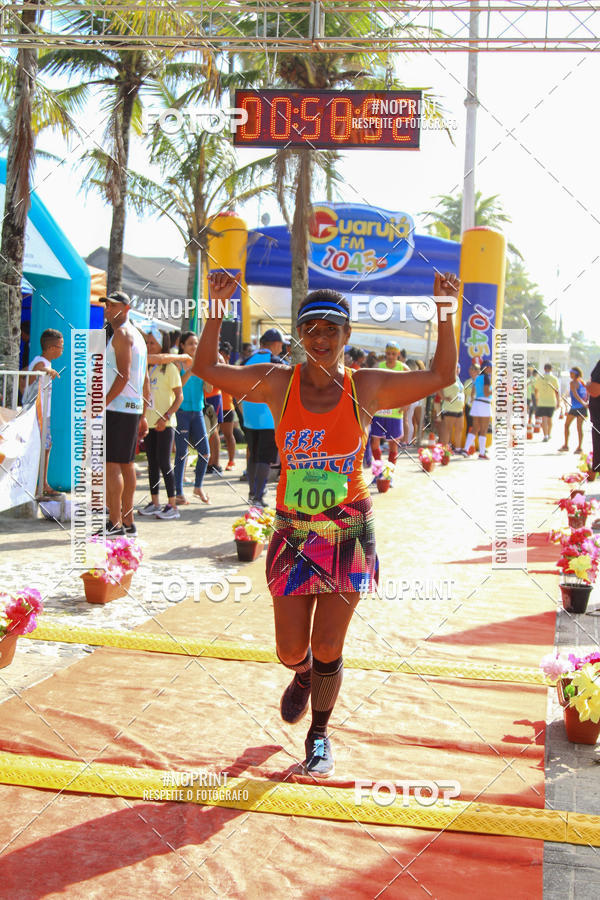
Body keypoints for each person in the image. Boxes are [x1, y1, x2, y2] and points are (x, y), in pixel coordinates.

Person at [193, 272, 459, 778]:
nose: (320, 338)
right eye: (311, 328)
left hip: (349, 531)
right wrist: (213, 308)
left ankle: (319, 734)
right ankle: (302, 675)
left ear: (346, 336)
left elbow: (443, 374)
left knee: (329, 644)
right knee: (292, 649)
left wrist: (445, 308)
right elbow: (205, 367)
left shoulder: (368, 386)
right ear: (298, 334)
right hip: (294, 531)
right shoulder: (277, 382)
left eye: (331, 330)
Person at [102, 291, 149, 537]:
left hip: (118, 407)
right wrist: (143, 413)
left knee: (112, 465)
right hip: (131, 407)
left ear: (126, 308)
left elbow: (123, 376)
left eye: (112, 306)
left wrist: (102, 402)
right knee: (126, 464)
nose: (107, 310)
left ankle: (115, 522)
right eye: (106, 305)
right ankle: (127, 520)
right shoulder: (138, 336)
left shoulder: (122, 333)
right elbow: (146, 378)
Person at [138, 327, 183, 519]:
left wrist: (165, 417)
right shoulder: (146, 367)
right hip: (148, 423)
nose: (148, 346)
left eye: (152, 343)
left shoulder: (170, 367)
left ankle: (172, 505)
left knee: (165, 462)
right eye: (146, 343)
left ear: (161, 345)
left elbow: (179, 397)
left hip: (165, 423)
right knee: (152, 463)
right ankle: (155, 502)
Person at [239, 327, 285, 506]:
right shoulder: (276, 362)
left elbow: (237, 387)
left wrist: (242, 411)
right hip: (268, 416)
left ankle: (253, 494)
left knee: (253, 455)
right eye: (281, 345)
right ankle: (258, 497)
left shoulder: (247, 360)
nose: (282, 349)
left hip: (249, 414)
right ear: (275, 344)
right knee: (264, 457)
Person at [24, 328, 64, 496]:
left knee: (46, 447)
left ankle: (41, 482)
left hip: (42, 413)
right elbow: (36, 370)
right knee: (42, 447)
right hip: (38, 413)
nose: (62, 350)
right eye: (61, 346)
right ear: (52, 348)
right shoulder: (41, 362)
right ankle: (40, 484)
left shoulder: (41, 361)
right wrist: (49, 371)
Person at [173, 331, 210, 505]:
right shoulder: (178, 362)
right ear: (182, 346)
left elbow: (209, 389)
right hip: (181, 412)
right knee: (182, 453)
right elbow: (178, 385)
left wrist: (206, 373)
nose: (194, 347)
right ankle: (178, 492)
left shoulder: (201, 363)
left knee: (205, 452)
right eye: (190, 344)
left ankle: (198, 486)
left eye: (196, 343)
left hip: (198, 411)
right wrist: (190, 370)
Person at [369, 341, 407, 467]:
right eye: (388, 354)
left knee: (393, 445)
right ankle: (379, 470)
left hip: (395, 412)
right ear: (385, 353)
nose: (390, 356)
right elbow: (368, 385)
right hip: (379, 410)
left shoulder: (403, 368)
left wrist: (407, 402)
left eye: (393, 354)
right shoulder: (378, 366)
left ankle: (389, 473)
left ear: (398, 354)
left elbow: (412, 386)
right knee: (374, 441)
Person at [559, 367, 588, 454]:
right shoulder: (582, 382)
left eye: (572, 373)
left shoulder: (573, 383)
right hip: (582, 408)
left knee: (567, 425)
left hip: (576, 408)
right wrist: (585, 403)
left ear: (576, 374)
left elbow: (575, 395)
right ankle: (579, 447)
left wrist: (583, 403)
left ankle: (566, 445)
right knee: (579, 428)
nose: (570, 375)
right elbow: (586, 394)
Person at [469, 359, 492, 460]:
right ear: (487, 368)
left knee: (475, 428)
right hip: (484, 404)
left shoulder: (477, 378)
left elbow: (472, 394)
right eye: (490, 367)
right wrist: (495, 390)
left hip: (476, 403)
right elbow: (487, 393)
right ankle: (482, 453)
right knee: (483, 430)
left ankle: (465, 449)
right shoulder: (487, 377)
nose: (491, 370)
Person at [219, 341, 237, 470]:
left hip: (226, 407)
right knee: (212, 436)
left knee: (228, 435)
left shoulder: (232, 371)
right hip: (213, 406)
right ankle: (214, 461)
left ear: (227, 357)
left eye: (222, 356)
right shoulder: (213, 370)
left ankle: (231, 461)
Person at [439, 363, 465, 450]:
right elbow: (439, 388)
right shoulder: (448, 378)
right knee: (447, 429)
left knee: (459, 429)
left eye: (458, 368)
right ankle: (444, 450)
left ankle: (458, 449)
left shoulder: (458, 379)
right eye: (455, 368)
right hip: (449, 408)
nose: (457, 369)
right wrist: (444, 397)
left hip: (459, 409)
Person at [534, 363, 560, 442]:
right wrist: (558, 402)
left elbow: (536, 390)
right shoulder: (554, 379)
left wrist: (536, 399)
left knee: (544, 419)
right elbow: (557, 391)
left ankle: (545, 436)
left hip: (542, 402)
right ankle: (549, 434)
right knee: (550, 419)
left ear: (544, 369)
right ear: (551, 369)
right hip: (551, 402)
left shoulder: (539, 378)